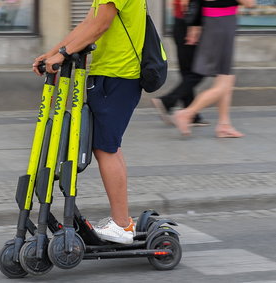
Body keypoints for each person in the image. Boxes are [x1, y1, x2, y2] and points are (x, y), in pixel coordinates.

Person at [32, 0, 146, 244]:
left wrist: (61, 54)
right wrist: (54, 52)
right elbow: (88, 23)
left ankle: (122, 225)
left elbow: (100, 24)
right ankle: (122, 221)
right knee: (109, 146)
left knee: (106, 148)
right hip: (112, 73)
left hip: (118, 73)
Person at [173, 0, 255, 137]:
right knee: (224, 82)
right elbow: (249, 3)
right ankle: (187, 113)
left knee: (226, 77)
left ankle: (224, 124)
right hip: (221, 23)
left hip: (218, 21)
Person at [151, 0, 209, 127]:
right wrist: (194, 27)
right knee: (198, 72)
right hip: (188, 24)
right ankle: (167, 101)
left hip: (181, 22)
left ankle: (192, 115)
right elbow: (186, 3)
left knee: (188, 72)